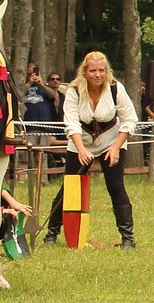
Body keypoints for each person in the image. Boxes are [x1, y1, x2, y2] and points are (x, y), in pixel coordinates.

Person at [42, 51, 139, 249]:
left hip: (111, 141)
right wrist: (81, 149)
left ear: (107, 71)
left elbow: (130, 120)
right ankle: (51, 234)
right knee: (70, 187)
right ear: (85, 72)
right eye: (93, 71)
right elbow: (71, 123)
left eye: (101, 70)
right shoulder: (74, 90)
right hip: (81, 141)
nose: (97, 75)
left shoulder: (115, 88)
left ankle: (128, 238)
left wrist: (115, 148)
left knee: (116, 187)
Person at [22, 63, 58, 152]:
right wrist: (29, 83)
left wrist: (41, 83)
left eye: (35, 73)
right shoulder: (23, 86)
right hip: (29, 127)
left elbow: (53, 95)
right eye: (30, 73)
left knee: (42, 154)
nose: (33, 76)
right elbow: (18, 94)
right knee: (27, 154)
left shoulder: (45, 86)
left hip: (44, 126)